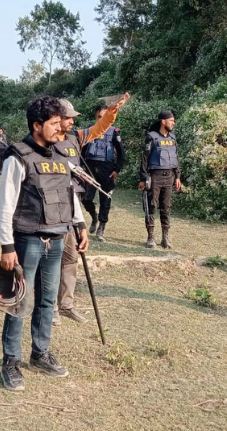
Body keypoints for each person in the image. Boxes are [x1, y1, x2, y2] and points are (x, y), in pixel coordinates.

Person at [0, 95, 89, 391]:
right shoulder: (18, 156)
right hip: (27, 240)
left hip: (58, 236)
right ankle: (11, 362)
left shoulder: (62, 154)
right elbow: (5, 205)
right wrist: (7, 246)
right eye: (54, 123)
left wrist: (80, 224)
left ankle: (41, 353)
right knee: (19, 301)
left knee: (48, 301)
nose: (61, 128)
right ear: (37, 125)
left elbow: (69, 194)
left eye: (61, 122)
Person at [53, 94, 129, 326]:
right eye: (68, 118)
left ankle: (66, 304)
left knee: (71, 256)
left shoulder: (76, 137)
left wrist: (112, 112)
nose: (72, 121)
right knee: (52, 258)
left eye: (73, 118)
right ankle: (49, 307)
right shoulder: (45, 140)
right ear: (55, 118)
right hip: (53, 204)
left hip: (73, 200)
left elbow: (99, 129)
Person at [81, 105, 126, 242]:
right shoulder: (90, 130)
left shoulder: (114, 132)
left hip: (107, 169)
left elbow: (121, 153)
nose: (102, 119)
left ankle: (101, 228)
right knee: (86, 198)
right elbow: (82, 150)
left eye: (105, 117)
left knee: (105, 200)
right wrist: (81, 167)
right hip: (90, 168)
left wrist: (116, 169)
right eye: (100, 117)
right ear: (96, 117)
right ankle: (94, 216)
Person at [139, 110, 181, 249]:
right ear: (163, 121)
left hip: (169, 176)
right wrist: (143, 178)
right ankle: (151, 237)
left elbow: (176, 158)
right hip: (155, 176)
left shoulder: (173, 138)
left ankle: (165, 238)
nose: (173, 123)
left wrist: (178, 176)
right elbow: (144, 159)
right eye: (171, 121)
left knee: (166, 207)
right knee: (151, 206)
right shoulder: (151, 137)